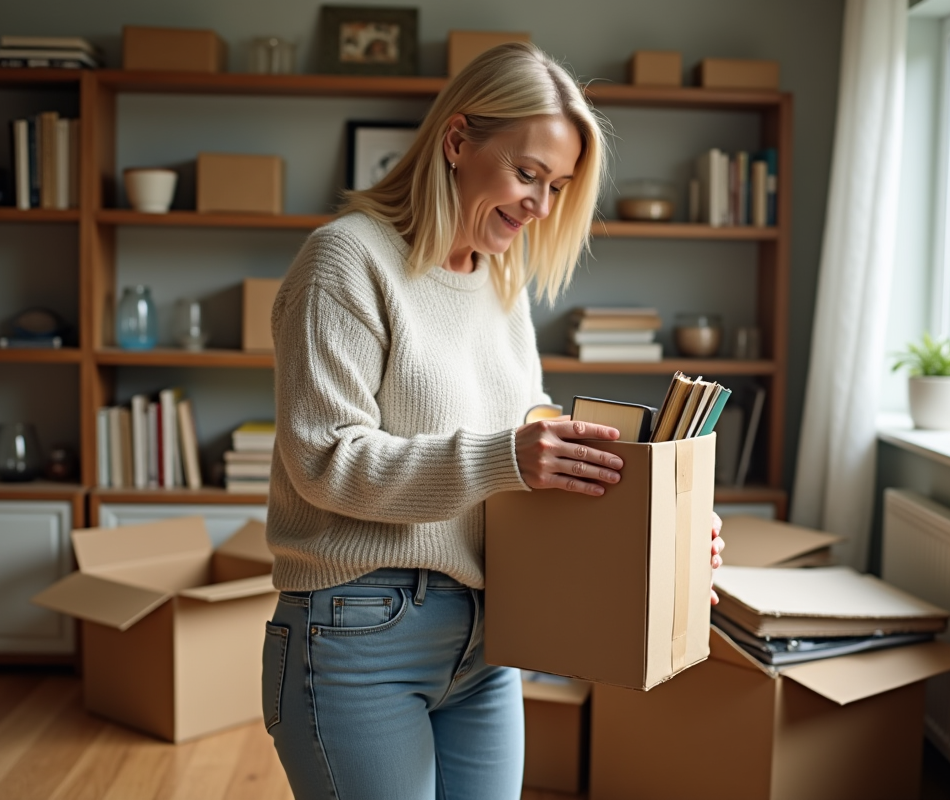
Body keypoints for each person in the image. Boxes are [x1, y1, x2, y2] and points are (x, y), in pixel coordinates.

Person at [262, 42, 725, 800]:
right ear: (456, 141)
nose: (541, 206)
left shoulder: (499, 281)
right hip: (358, 633)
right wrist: (507, 457)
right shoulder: (345, 263)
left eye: (559, 185)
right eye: (527, 174)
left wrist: (661, 537)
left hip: (487, 638)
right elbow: (327, 462)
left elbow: (530, 465)